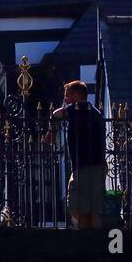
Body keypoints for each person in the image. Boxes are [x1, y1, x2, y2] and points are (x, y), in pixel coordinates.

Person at [45, 80, 106, 228]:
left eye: (68, 95)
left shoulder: (76, 109)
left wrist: (51, 130)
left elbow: (56, 114)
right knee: (95, 208)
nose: (65, 99)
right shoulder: (95, 112)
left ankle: (85, 234)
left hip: (82, 165)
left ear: (77, 95)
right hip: (99, 165)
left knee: (76, 205)